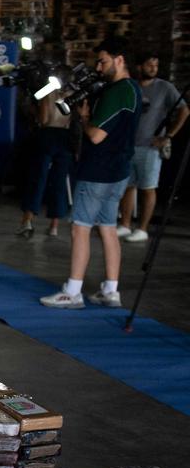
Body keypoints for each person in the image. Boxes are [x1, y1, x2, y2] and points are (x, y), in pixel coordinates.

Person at [40, 37, 142, 309]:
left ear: (120, 60)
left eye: (103, 61)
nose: (98, 67)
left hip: (98, 170)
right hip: (119, 170)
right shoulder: (134, 90)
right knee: (107, 228)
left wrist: (84, 117)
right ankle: (111, 290)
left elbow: (96, 136)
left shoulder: (116, 91)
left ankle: (72, 292)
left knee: (80, 229)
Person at [117, 53, 188, 242]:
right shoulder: (131, 86)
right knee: (127, 186)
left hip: (150, 146)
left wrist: (168, 135)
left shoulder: (165, 87)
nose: (153, 68)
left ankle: (142, 228)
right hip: (129, 145)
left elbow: (184, 109)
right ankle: (125, 224)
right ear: (139, 66)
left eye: (156, 65)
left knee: (148, 187)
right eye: (149, 64)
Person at [18, 87, 74, 237]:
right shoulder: (72, 92)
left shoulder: (48, 90)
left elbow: (43, 119)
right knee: (59, 181)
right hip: (65, 137)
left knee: (38, 178)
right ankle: (54, 226)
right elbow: (69, 115)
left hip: (47, 135)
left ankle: (27, 221)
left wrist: (34, 111)